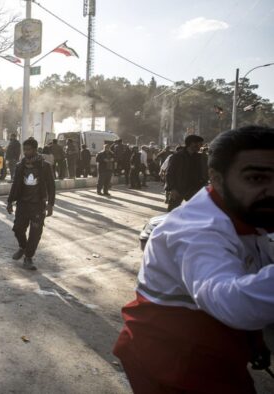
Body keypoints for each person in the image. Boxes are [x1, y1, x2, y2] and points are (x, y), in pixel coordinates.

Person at [113, 126, 274, 393]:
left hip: (213, 349)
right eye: (256, 179)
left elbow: (247, 270)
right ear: (219, 179)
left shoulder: (243, 212)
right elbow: (228, 298)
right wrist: (173, 191)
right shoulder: (197, 231)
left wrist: (253, 341)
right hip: (174, 363)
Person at [6, 138, 55, 270]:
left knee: (35, 233)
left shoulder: (45, 166)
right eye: (25, 149)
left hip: (38, 205)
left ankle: (28, 257)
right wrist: (10, 201)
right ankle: (23, 246)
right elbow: (15, 185)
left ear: (34, 149)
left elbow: (51, 186)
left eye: (28, 149)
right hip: (22, 204)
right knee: (17, 229)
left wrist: (50, 204)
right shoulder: (20, 166)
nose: (26, 152)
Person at [165, 135, 207, 211]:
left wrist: (203, 184)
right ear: (192, 143)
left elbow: (203, 172)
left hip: (194, 189)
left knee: (197, 211)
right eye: (199, 144)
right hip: (178, 189)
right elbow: (170, 173)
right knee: (172, 212)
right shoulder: (178, 156)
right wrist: (172, 188)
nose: (201, 146)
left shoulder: (200, 157)